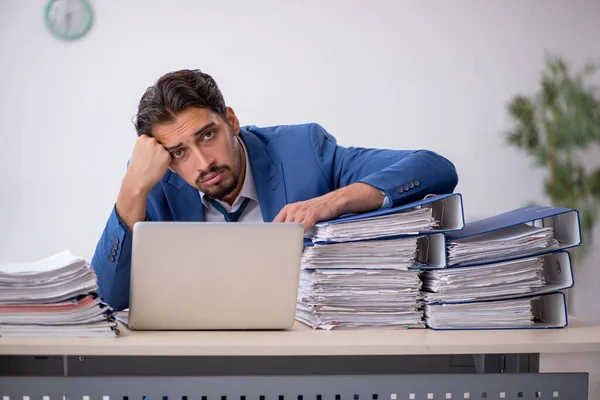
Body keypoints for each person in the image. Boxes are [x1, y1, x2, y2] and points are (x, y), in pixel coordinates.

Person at [91, 69, 459, 310]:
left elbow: (434, 168)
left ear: (231, 121)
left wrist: (331, 202)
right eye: (179, 152)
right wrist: (132, 189)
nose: (203, 163)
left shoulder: (304, 151)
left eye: (207, 135)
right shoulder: (152, 185)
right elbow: (108, 299)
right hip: (198, 364)